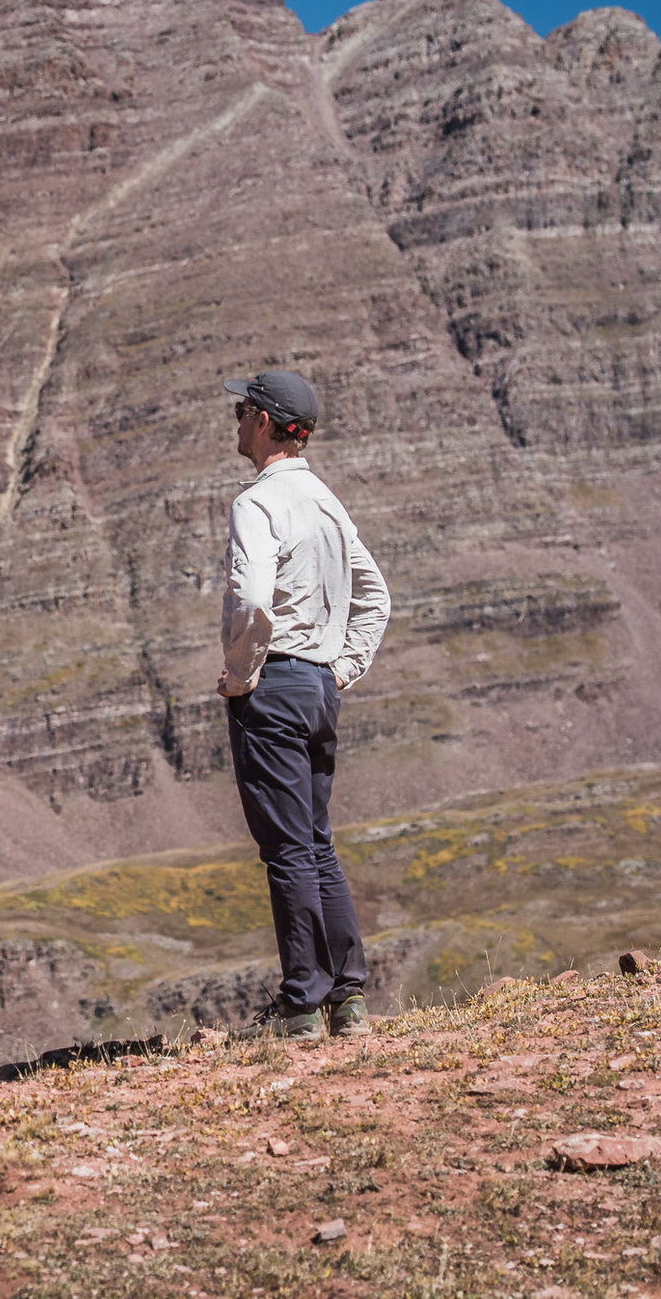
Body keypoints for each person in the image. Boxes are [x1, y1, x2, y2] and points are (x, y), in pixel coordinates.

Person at [214, 369, 391, 1041]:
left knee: (286, 849)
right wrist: (342, 667)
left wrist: (240, 673)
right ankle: (346, 995)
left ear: (263, 422)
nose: (235, 422)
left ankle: (302, 1004)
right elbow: (375, 594)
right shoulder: (325, 501)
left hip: (277, 683)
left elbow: (253, 597)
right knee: (316, 842)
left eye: (241, 410)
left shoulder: (257, 503)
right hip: (319, 686)